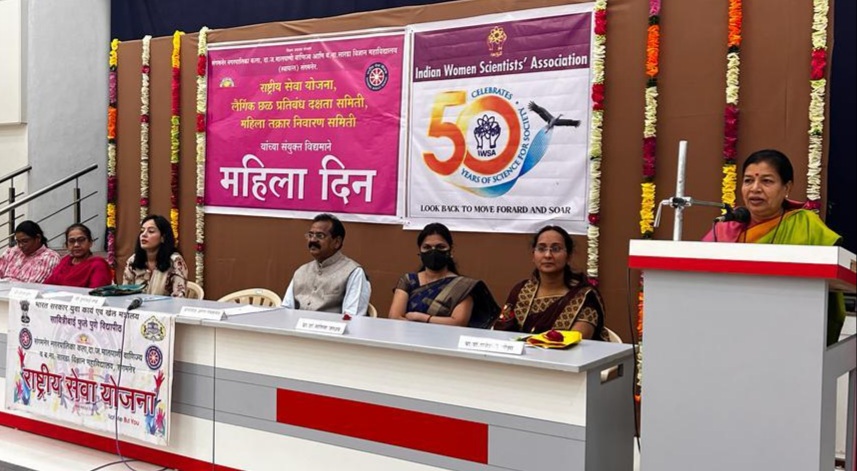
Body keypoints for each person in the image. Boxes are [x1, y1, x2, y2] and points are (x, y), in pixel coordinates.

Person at [704, 149, 845, 344]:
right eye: (748, 181)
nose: (755, 188)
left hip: (789, 333)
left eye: (767, 181)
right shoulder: (726, 227)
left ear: (787, 187)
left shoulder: (805, 225)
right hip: (728, 329)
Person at [493, 225, 609, 340]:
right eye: (541, 249)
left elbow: (576, 340)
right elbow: (502, 333)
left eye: (556, 249)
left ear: (568, 256)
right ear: (533, 255)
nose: (547, 255)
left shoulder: (583, 297)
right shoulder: (521, 291)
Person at [388, 223, 499, 327]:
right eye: (427, 247)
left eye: (440, 247)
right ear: (420, 252)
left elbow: (458, 322)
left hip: (445, 339)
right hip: (407, 338)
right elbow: (394, 317)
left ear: (451, 250)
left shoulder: (462, 287)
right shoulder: (409, 280)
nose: (433, 252)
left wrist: (422, 318)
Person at [283, 213, 371, 315]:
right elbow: (286, 309)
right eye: (310, 235)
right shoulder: (301, 271)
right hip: (297, 324)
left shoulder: (354, 272)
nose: (312, 240)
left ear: (337, 242)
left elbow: (352, 316)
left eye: (320, 236)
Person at [122, 214, 187, 297]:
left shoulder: (175, 261)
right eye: (142, 231)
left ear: (163, 237)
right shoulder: (133, 260)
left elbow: (179, 298)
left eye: (151, 231)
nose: (143, 235)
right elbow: (124, 293)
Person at [44, 223, 113, 288]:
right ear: (67, 245)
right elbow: (48, 285)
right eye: (71, 241)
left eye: (81, 240)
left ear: (90, 243)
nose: (76, 245)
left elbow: (96, 292)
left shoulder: (98, 265)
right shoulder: (65, 261)